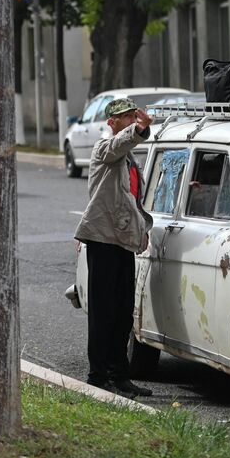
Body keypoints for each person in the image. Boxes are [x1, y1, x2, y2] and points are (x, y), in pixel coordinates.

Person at [74, 98, 154, 399]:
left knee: (123, 312)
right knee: (103, 311)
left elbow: (132, 201)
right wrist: (139, 129)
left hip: (123, 240)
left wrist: (141, 229)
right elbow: (117, 146)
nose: (133, 119)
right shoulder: (103, 148)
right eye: (126, 117)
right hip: (103, 239)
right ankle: (98, 376)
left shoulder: (131, 159)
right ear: (112, 122)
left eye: (135, 115)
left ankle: (120, 375)